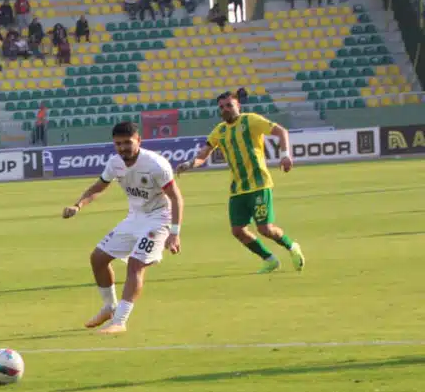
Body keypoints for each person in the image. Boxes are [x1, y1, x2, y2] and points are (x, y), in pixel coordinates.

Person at [62, 121, 184, 335]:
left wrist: (174, 233)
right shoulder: (115, 163)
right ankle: (109, 307)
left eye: (127, 143)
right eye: (118, 144)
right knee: (98, 258)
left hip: (158, 219)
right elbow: (100, 185)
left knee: (136, 265)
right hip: (135, 217)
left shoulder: (156, 164)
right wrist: (78, 204)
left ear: (138, 141)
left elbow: (176, 197)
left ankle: (120, 321)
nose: (122, 148)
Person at [177, 92, 305, 274]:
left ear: (238, 106)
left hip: (259, 185)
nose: (225, 109)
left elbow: (281, 132)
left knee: (265, 229)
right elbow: (204, 154)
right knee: (238, 230)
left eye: (229, 105)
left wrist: (285, 155)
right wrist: (190, 164)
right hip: (238, 189)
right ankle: (269, 259)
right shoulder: (219, 131)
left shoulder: (250, 120)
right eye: (221, 107)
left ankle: (292, 247)